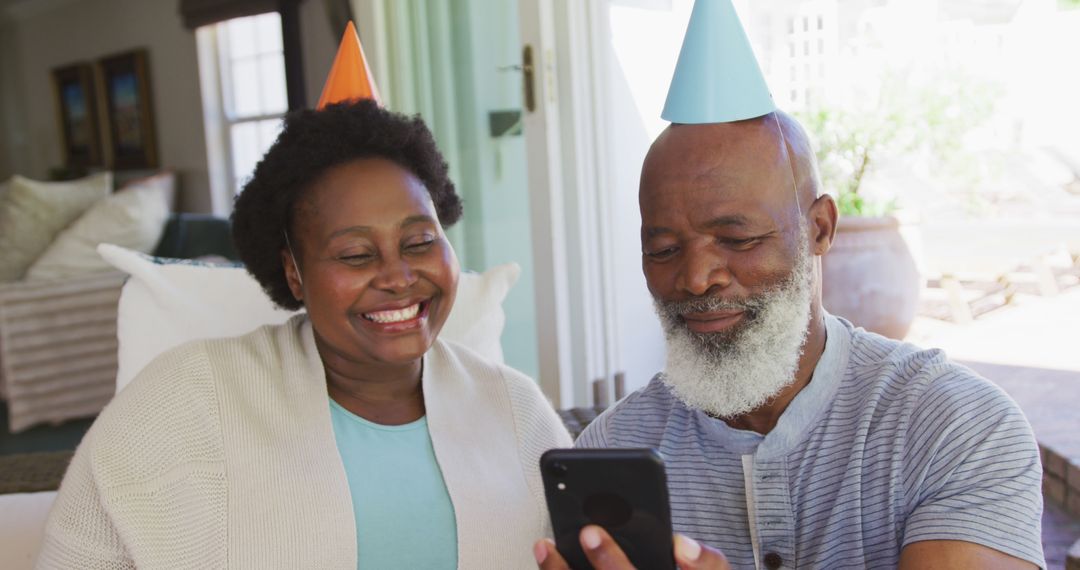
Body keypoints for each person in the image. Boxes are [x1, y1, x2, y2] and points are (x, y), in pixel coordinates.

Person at [534, 2, 1044, 569]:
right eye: (664, 250)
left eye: (737, 238)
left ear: (820, 227)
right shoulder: (611, 453)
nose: (697, 278)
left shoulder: (951, 427)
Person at [38, 36, 571, 567]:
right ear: (294, 272)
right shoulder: (183, 403)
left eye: (419, 242)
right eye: (357, 254)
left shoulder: (516, 409)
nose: (398, 277)